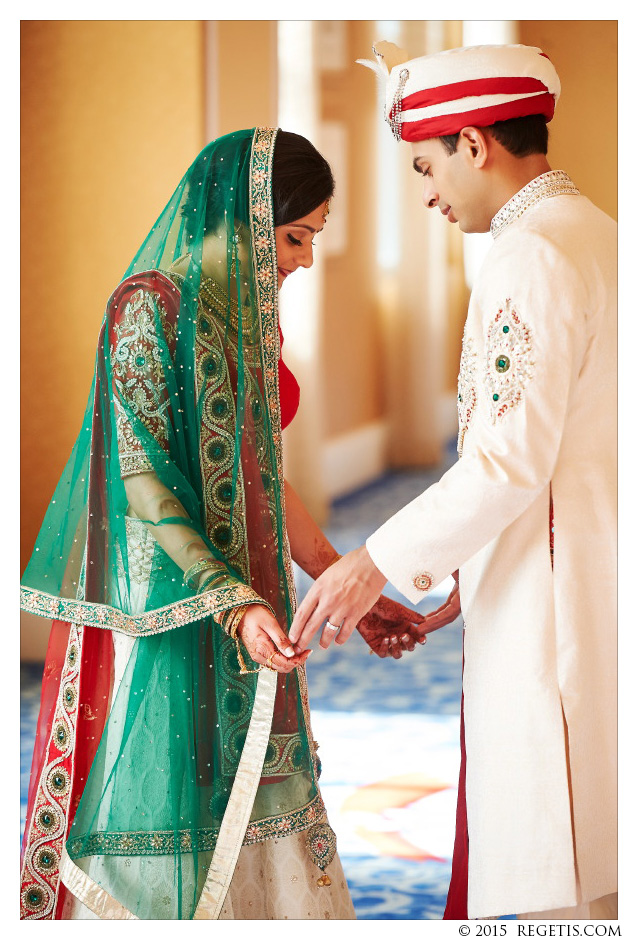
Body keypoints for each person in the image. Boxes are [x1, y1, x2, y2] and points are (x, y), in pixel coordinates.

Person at [19, 127, 429, 920]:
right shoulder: (145, 307)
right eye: (295, 236)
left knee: (255, 785)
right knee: (172, 792)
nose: (305, 259)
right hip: (172, 603)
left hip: (253, 599)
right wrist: (228, 601)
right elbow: (146, 486)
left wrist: (345, 580)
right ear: (241, 217)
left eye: (312, 238)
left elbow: (264, 482)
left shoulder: (248, 319)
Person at [289, 43, 617, 921]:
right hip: (590, 567)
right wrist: (475, 570)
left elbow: (510, 457)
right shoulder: (601, 235)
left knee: (563, 859)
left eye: (427, 165)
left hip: (558, 601)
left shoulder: (530, 255)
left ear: (476, 145)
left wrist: (373, 561)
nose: (427, 193)